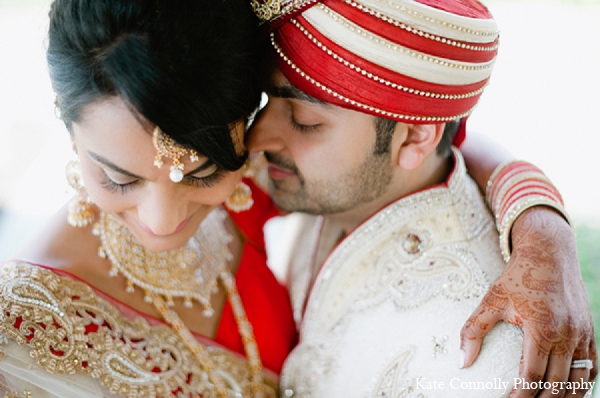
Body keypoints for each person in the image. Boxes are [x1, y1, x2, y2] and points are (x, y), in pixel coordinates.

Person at [247, 0, 597, 396]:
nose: (255, 140)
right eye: (264, 102)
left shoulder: (491, 365)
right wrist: (540, 217)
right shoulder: (343, 188)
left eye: (304, 121)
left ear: (415, 136)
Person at [0, 0, 298, 396]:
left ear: (246, 128)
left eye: (202, 174)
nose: (162, 222)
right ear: (70, 130)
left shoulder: (257, 179)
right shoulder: (21, 333)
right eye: (119, 179)